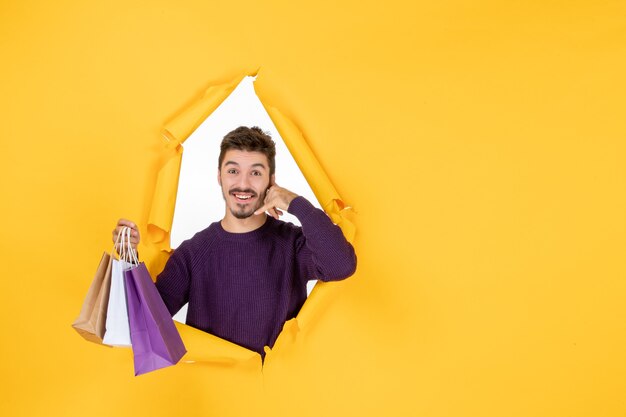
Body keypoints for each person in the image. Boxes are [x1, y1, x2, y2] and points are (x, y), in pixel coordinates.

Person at [113, 126, 356, 357]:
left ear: (271, 181)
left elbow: (341, 264)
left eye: (256, 173)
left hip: (279, 393)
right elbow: (148, 323)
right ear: (219, 177)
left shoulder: (291, 244)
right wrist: (128, 258)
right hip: (214, 395)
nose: (243, 184)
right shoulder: (193, 253)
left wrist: (295, 202)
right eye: (233, 171)